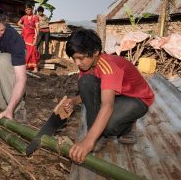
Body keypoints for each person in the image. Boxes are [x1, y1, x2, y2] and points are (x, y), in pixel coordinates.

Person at [62, 29, 154, 164]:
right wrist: (74, 101)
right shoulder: (86, 67)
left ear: (95, 53)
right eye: (74, 58)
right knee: (86, 82)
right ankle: (98, 135)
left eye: (80, 58)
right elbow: (90, 92)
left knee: (108, 126)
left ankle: (125, 127)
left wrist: (88, 141)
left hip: (137, 100)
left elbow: (107, 105)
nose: (77, 63)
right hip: (116, 95)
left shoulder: (108, 66)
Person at [17, 4, 40, 72]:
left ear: (32, 9)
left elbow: (38, 29)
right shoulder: (24, 17)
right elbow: (18, 23)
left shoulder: (35, 17)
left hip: (31, 36)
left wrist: (36, 38)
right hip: (24, 36)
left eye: (29, 9)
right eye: (26, 10)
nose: (27, 11)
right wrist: (23, 27)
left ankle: (35, 68)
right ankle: (26, 66)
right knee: (25, 51)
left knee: (32, 50)